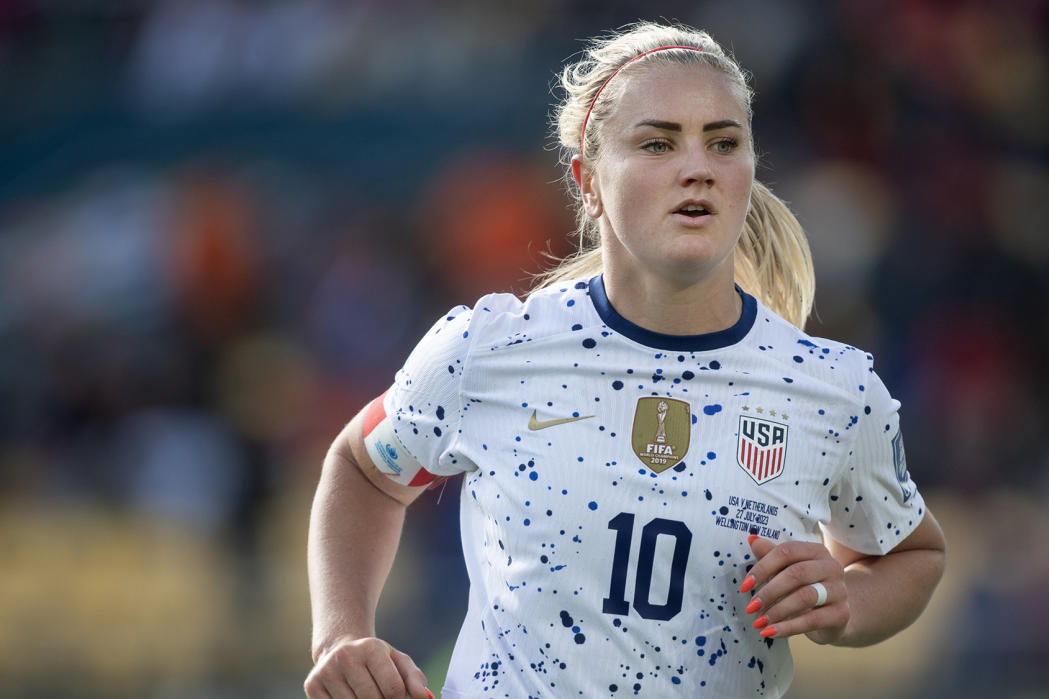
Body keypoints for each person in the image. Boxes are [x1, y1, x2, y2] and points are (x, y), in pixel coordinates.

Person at [304, 21, 946, 699]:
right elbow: (364, 470)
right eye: (657, 142)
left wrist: (844, 598)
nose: (696, 165)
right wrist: (341, 634)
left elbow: (911, 554)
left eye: (723, 142)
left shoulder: (831, 390)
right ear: (587, 180)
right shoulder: (489, 349)